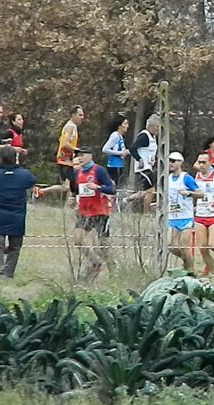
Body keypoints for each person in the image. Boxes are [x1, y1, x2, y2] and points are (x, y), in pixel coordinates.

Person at [0, 146, 36, 279]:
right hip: (17, 216)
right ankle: (8, 273)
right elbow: (32, 181)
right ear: (15, 159)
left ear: (0, 159)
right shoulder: (25, 175)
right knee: (15, 247)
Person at [68, 147, 116, 280]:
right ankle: (95, 261)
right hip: (85, 213)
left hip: (100, 212)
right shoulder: (77, 173)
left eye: (83, 155)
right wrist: (72, 199)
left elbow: (111, 189)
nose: (80, 158)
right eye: (79, 156)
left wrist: (98, 187)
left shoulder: (98, 170)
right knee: (77, 239)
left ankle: (113, 273)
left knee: (104, 246)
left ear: (90, 156)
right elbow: (74, 190)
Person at [34, 105, 84, 198]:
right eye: (80, 115)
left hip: (67, 159)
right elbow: (64, 143)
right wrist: (77, 150)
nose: (82, 118)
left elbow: (61, 139)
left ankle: (41, 191)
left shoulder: (72, 126)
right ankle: (40, 191)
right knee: (70, 185)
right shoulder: (70, 127)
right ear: (73, 115)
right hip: (65, 160)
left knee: (67, 186)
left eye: (82, 115)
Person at [167, 151, 203, 275]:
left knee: (184, 246)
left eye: (173, 161)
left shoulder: (186, 178)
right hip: (171, 216)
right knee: (170, 246)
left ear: (180, 163)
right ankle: (186, 261)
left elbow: (200, 193)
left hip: (186, 216)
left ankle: (191, 271)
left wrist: (189, 193)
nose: (170, 163)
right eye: (169, 160)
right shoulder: (167, 178)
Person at [125, 114, 159, 212]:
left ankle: (125, 200)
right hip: (143, 168)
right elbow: (132, 148)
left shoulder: (153, 137)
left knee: (146, 191)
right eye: (157, 127)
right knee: (151, 190)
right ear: (151, 126)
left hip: (149, 167)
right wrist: (139, 159)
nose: (158, 129)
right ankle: (146, 212)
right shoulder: (144, 136)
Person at [101, 115, 130, 187]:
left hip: (120, 164)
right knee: (114, 186)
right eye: (125, 123)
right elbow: (105, 149)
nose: (127, 126)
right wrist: (120, 153)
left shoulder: (120, 136)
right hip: (114, 165)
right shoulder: (115, 135)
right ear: (119, 125)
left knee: (119, 186)